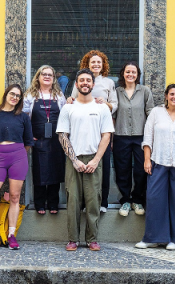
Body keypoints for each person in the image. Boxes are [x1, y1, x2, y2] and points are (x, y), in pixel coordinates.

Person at [136, 84, 175, 251]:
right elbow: (147, 138)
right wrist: (147, 160)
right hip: (158, 162)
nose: (174, 97)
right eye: (172, 94)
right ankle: (153, 238)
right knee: (155, 199)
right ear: (166, 96)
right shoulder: (156, 113)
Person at [57, 69, 114, 252]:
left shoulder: (101, 108)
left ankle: (92, 239)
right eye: (81, 80)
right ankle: (73, 239)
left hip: (94, 159)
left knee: (93, 202)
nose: (85, 83)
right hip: (73, 159)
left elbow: (106, 136)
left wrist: (96, 160)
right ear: (76, 84)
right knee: (72, 201)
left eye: (88, 80)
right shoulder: (68, 108)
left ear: (93, 84)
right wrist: (74, 160)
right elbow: (63, 136)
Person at [0, 84, 33, 249]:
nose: (14, 97)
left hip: (18, 156)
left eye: (18, 96)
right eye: (12, 94)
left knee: (15, 197)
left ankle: (11, 235)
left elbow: (28, 142)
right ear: (6, 94)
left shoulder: (23, 117)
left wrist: (18, 154)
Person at [70, 50, 118, 212]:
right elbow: (72, 101)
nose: (96, 65)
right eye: (93, 62)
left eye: (99, 62)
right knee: (83, 165)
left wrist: (106, 103)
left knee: (103, 166)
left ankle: (103, 202)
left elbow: (115, 105)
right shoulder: (80, 80)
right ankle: (84, 203)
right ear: (87, 65)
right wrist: (70, 100)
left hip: (101, 129)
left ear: (103, 65)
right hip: (83, 129)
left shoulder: (109, 83)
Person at [22, 65, 66, 215]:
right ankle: (39, 203)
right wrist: (28, 136)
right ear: (38, 77)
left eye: (50, 75)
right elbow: (24, 118)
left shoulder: (59, 95)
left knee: (56, 170)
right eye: (44, 74)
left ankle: (53, 203)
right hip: (38, 140)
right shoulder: (30, 95)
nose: (47, 77)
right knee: (39, 171)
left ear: (54, 78)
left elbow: (65, 117)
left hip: (56, 140)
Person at [112, 62, 153, 217]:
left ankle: (137, 199)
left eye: (133, 72)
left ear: (137, 75)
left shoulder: (144, 91)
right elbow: (113, 116)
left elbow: (150, 112)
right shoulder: (117, 92)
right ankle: (125, 201)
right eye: (128, 71)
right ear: (123, 73)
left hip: (140, 137)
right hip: (120, 136)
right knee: (122, 169)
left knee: (141, 170)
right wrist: (110, 138)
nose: (130, 74)